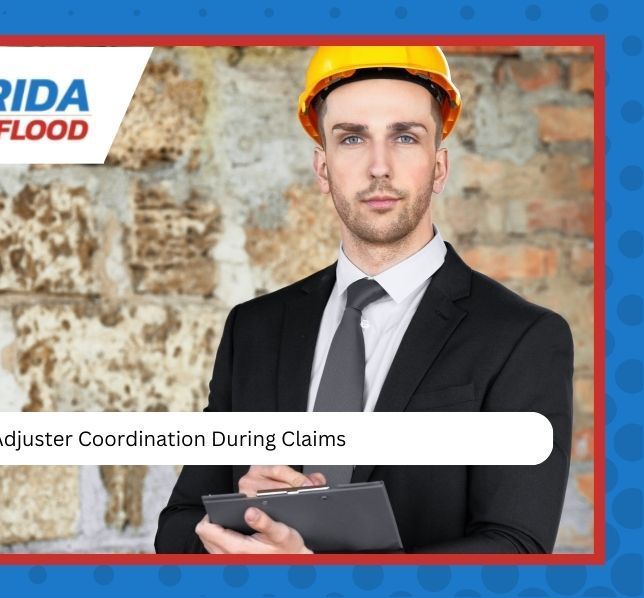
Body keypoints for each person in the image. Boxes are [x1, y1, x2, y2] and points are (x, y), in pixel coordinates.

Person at [154, 46, 574, 554]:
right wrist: (247, 519)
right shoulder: (255, 329)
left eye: (404, 136)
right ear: (322, 168)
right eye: (352, 138)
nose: (379, 166)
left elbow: (515, 547)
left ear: (438, 167)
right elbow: (177, 528)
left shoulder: (521, 338)